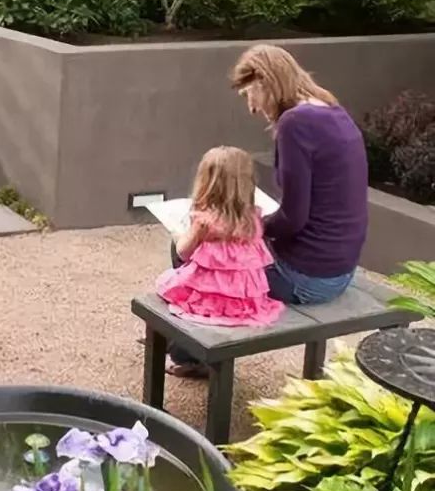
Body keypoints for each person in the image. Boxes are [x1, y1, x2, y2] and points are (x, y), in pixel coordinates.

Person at [167, 44, 369, 378]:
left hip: (307, 277)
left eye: (250, 93)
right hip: (340, 269)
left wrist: (240, 225)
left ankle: (190, 354)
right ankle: (188, 347)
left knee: (192, 247)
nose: (251, 107)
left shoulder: (295, 124)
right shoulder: (333, 111)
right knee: (219, 246)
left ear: (265, 81)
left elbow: (294, 218)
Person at [157, 146, 285, 328]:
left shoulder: (204, 221)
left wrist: (179, 235)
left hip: (211, 298)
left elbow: (184, 253)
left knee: (168, 279)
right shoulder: (253, 218)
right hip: (245, 301)